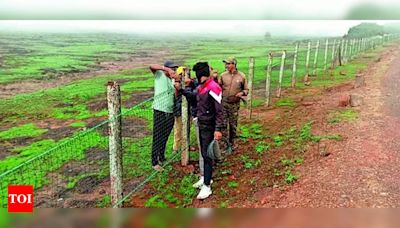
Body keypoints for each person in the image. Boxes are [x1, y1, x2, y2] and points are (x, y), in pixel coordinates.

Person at [192, 61, 224, 199]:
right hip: (202, 123)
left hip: (210, 126)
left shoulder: (213, 87)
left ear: (199, 74)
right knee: (204, 153)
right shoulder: (201, 86)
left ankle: (207, 187)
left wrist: (217, 128)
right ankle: (206, 177)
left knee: (207, 155)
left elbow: (219, 110)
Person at [149, 60, 179, 171]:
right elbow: (151, 65)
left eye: (175, 69)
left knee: (165, 135)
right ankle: (154, 162)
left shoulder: (172, 80)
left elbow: (174, 96)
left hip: (170, 111)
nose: (174, 71)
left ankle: (161, 156)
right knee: (157, 136)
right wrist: (165, 69)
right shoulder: (159, 74)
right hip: (159, 110)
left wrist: (176, 87)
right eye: (172, 69)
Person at [218, 57, 248, 151]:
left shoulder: (242, 76)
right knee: (223, 123)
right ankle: (223, 144)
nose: (226, 65)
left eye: (228, 63)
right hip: (224, 103)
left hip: (234, 104)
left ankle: (232, 142)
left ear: (233, 64)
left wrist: (242, 93)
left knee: (233, 124)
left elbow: (246, 90)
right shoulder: (222, 76)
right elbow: (218, 87)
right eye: (225, 64)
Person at [172, 66, 186, 153]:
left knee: (186, 128)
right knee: (178, 129)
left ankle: (185, 145)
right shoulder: (175, 83)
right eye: (181, 74)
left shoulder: (188, 82)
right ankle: (176, 148)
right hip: (179, 110)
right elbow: (176, 96)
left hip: (187, 109)